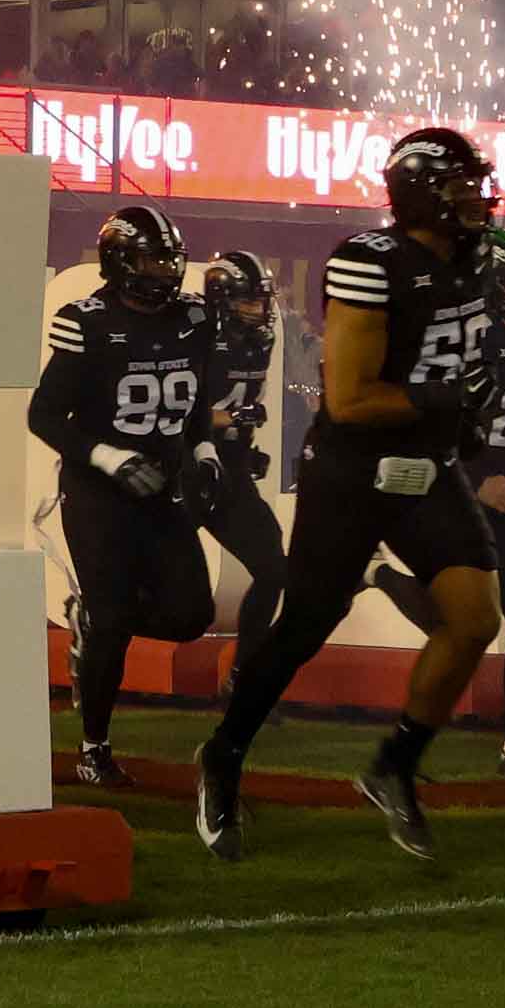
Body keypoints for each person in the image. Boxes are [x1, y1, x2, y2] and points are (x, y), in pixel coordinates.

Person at [196, 127, 504, 862]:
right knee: (304, 625)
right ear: (423, 193)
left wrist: (470, 405)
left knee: (473, 619)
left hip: (425, 468)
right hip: (354, 473)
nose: (475, 198)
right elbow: (352, 399)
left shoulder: (476, 258)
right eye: (460, 185)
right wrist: (444, 396)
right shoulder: (368, 262)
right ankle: (223, 755)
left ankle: (393, 766)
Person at [29, 204, 225, 789]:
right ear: (118, 262)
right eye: (149, 258)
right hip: (99, 493)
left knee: (192, 616)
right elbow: (43, 415)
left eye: (168, 258)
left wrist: (206, 453)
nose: (164, 270)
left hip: (161, 489)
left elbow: (192, 405)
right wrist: (110, 457)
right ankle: (94, 747)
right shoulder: (84, 320)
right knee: (114, 618)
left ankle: (96, 621)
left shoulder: (193, 318)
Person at [368, 228, 505, 777]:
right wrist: (478, 483)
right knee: (455, 622)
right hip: (455, 485)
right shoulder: (465, 338)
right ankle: (381, 576)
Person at [201, 251, 289, 692]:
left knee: (274, 568)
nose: (258, 310)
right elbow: (181, 410)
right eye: (247, 302)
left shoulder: (262, 341)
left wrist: (243, 446)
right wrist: (229, 423)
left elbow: (242, 406)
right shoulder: (195, 335)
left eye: (261, 301)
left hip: (228, 473)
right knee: (177, 600)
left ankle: (244, 675)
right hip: (184, 469)